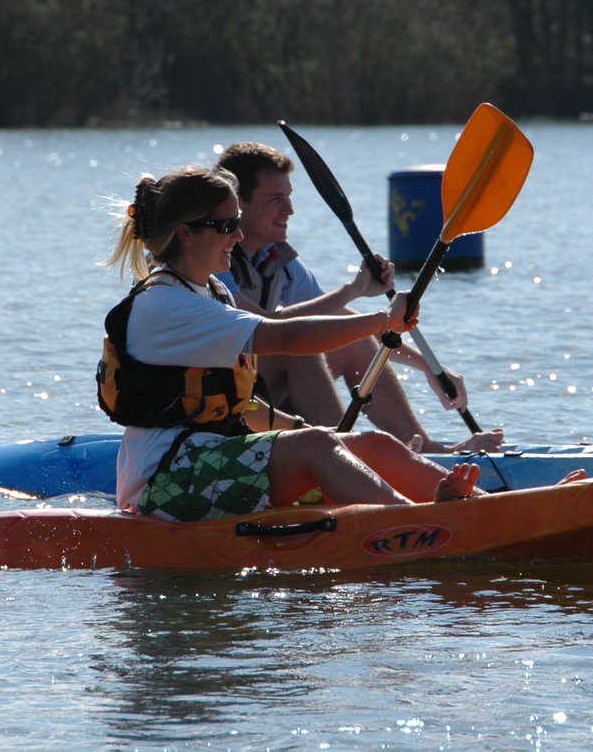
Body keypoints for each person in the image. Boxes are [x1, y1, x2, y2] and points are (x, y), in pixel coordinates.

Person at [100, 165, 480, 520]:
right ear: (186, 233)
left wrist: (308, 431)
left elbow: (239, 404)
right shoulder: (165, 303)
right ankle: (422, 523)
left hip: (209, 460)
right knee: (317, 445)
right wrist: (383, 320)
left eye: (237, 223)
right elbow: (287, 335)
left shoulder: (213, 292)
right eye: (228, 225)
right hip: (162, 483)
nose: (238, 236)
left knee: (374, 444)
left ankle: (481, 509)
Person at [213, 141, 504, 455]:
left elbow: (335, 321)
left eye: (289, 197)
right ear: (237, 203)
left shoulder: (278, 258)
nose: (289, 210)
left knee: (354, 340)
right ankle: (344, 455)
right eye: (275, 199)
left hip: (260, 387)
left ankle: (424, 450)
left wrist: (430, 367)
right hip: (228, 401)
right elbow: (265, 329)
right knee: (301, 347)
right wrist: (353, 290)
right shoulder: (213, 256)